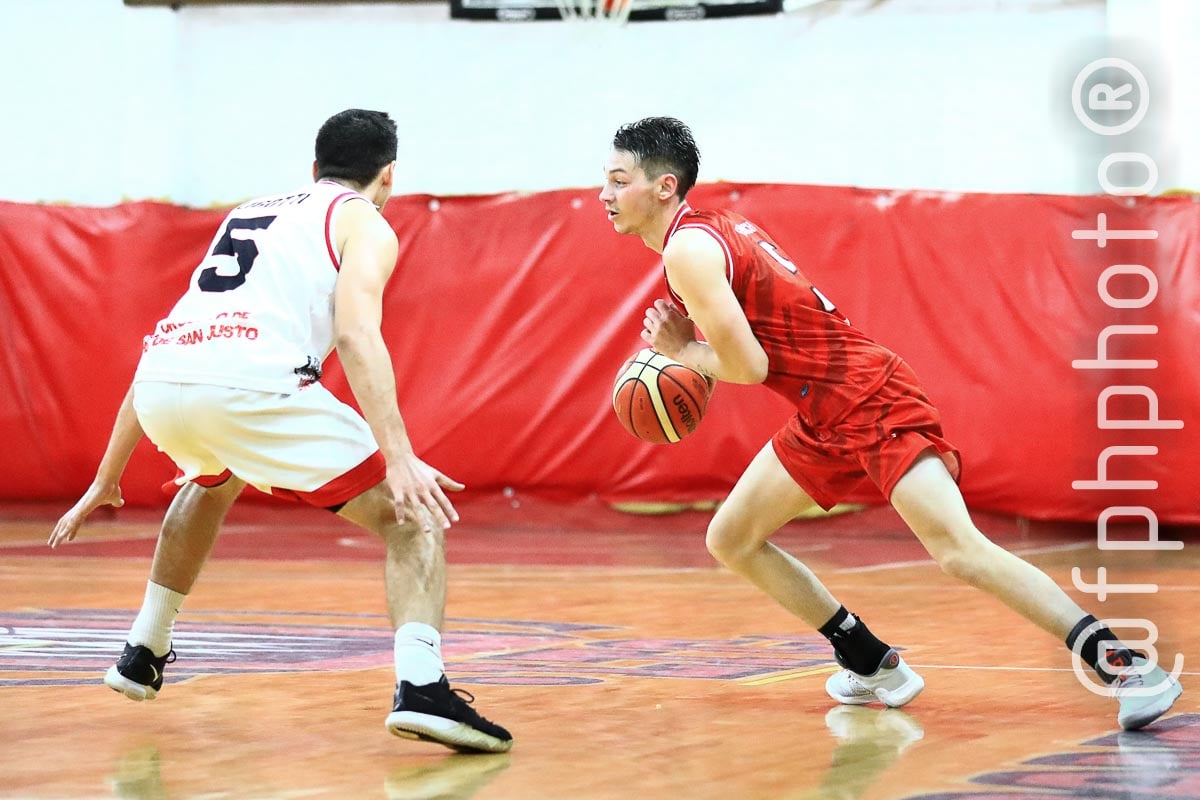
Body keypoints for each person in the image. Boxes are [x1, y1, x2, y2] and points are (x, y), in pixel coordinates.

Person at [598, 116, 1182, 731]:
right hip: (823, 409)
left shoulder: (689, 250)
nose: (604, 195)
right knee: (732, 538)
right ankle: (873, 663)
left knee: (960, 552)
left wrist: (681, 352)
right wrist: (690, 348)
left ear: (664, 186)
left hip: (866, 396)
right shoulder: (710, 230)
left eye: (618, 179)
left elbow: (747, 365)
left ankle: (1128, 668)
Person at [49, 109, 512, 754]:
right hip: (254, 386)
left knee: (212, 481)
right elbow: (355, 335)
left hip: (162, 384)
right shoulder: (364, 221)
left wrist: (106, 478)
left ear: (314, 167)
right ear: (389, 177)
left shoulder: (248, 212)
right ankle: (423, 688)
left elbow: (177, 346)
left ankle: (143, 649)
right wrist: (400, 455)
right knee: (414, 520)